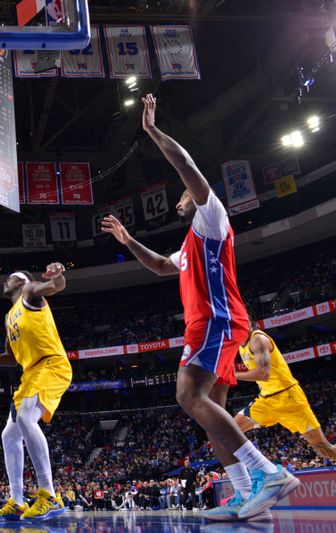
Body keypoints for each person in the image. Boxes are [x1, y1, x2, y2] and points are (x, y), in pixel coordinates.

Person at [101, 94, 298, 521]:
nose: (182, 196)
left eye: (186, 193)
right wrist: (126, 239)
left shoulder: (213, 219)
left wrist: (153, 132)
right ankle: (247, 495)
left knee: (187, 394)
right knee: (213, 413)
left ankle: (269, 472)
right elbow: (157, 266)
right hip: (212, 324)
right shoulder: (189, 245)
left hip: (216, 320)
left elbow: (188, 169)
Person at [0, 266, 71, 522]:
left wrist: (57, 275)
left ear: (22, 281)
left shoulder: (30, 292)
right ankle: (17, 502)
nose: (5, 281)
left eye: (10, 277)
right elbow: (11, 358)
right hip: (30, 373)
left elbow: (57, 287)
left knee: (25, 419)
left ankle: (50, 496)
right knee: (9, 435)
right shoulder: (9, 316)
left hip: (51, 364)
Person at [234, 326, 336, 459]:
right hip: (266, 400)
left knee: (324, 450)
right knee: (230, 430)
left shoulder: (258, 339)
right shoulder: (240, 345)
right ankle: (262, 470)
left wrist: (231, 374)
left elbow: (264, 374)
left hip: (289, 398)